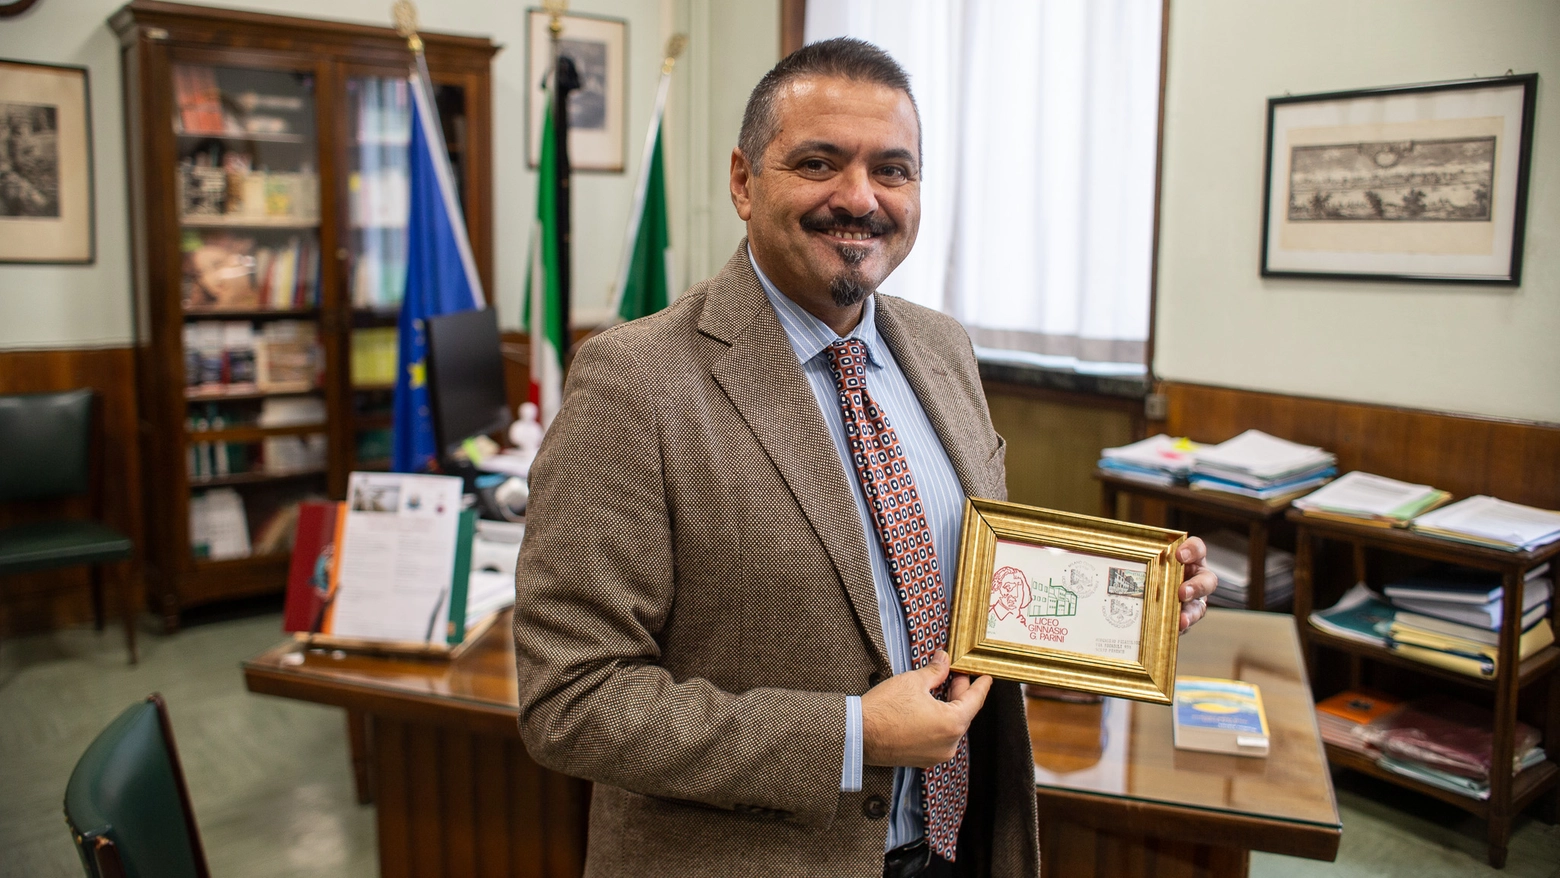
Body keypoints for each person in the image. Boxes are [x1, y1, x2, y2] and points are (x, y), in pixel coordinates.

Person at [513, 38, 1218, 878]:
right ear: (744, 181)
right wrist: (854, 737)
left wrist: (1120, 614)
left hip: (959, 844)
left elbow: (975, 593)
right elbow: (572, 698)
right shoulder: (637, 380)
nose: (860, 198)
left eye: (893, 169)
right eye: (819, 162)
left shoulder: (942, 349)